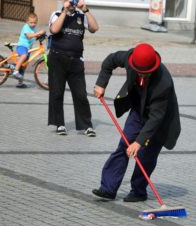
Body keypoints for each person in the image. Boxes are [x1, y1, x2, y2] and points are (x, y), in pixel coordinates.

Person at [92, 43, 181, 202]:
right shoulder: (129, 57)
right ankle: (108, 189)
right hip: (139, 111)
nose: (141, 75)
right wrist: (101, 83)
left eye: (145, 74)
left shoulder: (163, 82)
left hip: (160, 121)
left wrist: (139, 142)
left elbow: (155, 118)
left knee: (146, 155)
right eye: (139, 72)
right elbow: (109, 61)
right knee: (124, 145)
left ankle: (139, 192)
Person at [48, 0, 98, 136]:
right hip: (57, 59)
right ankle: (59, 124)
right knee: (57, 93)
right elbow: (54, 30)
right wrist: (65, 11)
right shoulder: (57, 14)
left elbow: (94, 28)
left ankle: (87, 126)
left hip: (76, 60)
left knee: (81, 94)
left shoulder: (81, 16)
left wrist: (86, 10)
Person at [13, 12, 45, 88]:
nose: (33, 24)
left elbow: (34, 35)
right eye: (31, 22)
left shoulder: (34, 28)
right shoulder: (26, 27)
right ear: (27, 22)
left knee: (24, 65)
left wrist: (41, 34)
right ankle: (16, 70)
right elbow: (29, 36)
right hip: (22, 46)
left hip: (28, 49)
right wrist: (38, 33)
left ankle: (20, 83)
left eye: (34, 22)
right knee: (24, 55)